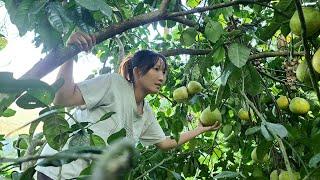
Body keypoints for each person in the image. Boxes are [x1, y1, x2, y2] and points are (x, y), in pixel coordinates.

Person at [35, 32, 221, 180]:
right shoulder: (113, 83)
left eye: (164, 72)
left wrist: (200, 129)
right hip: (58, 171)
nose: (162, 78)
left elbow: (165, 143)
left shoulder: (146, 112)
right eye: (156, 70)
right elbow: (63, 98)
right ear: (138, 72)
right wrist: (70, 53)